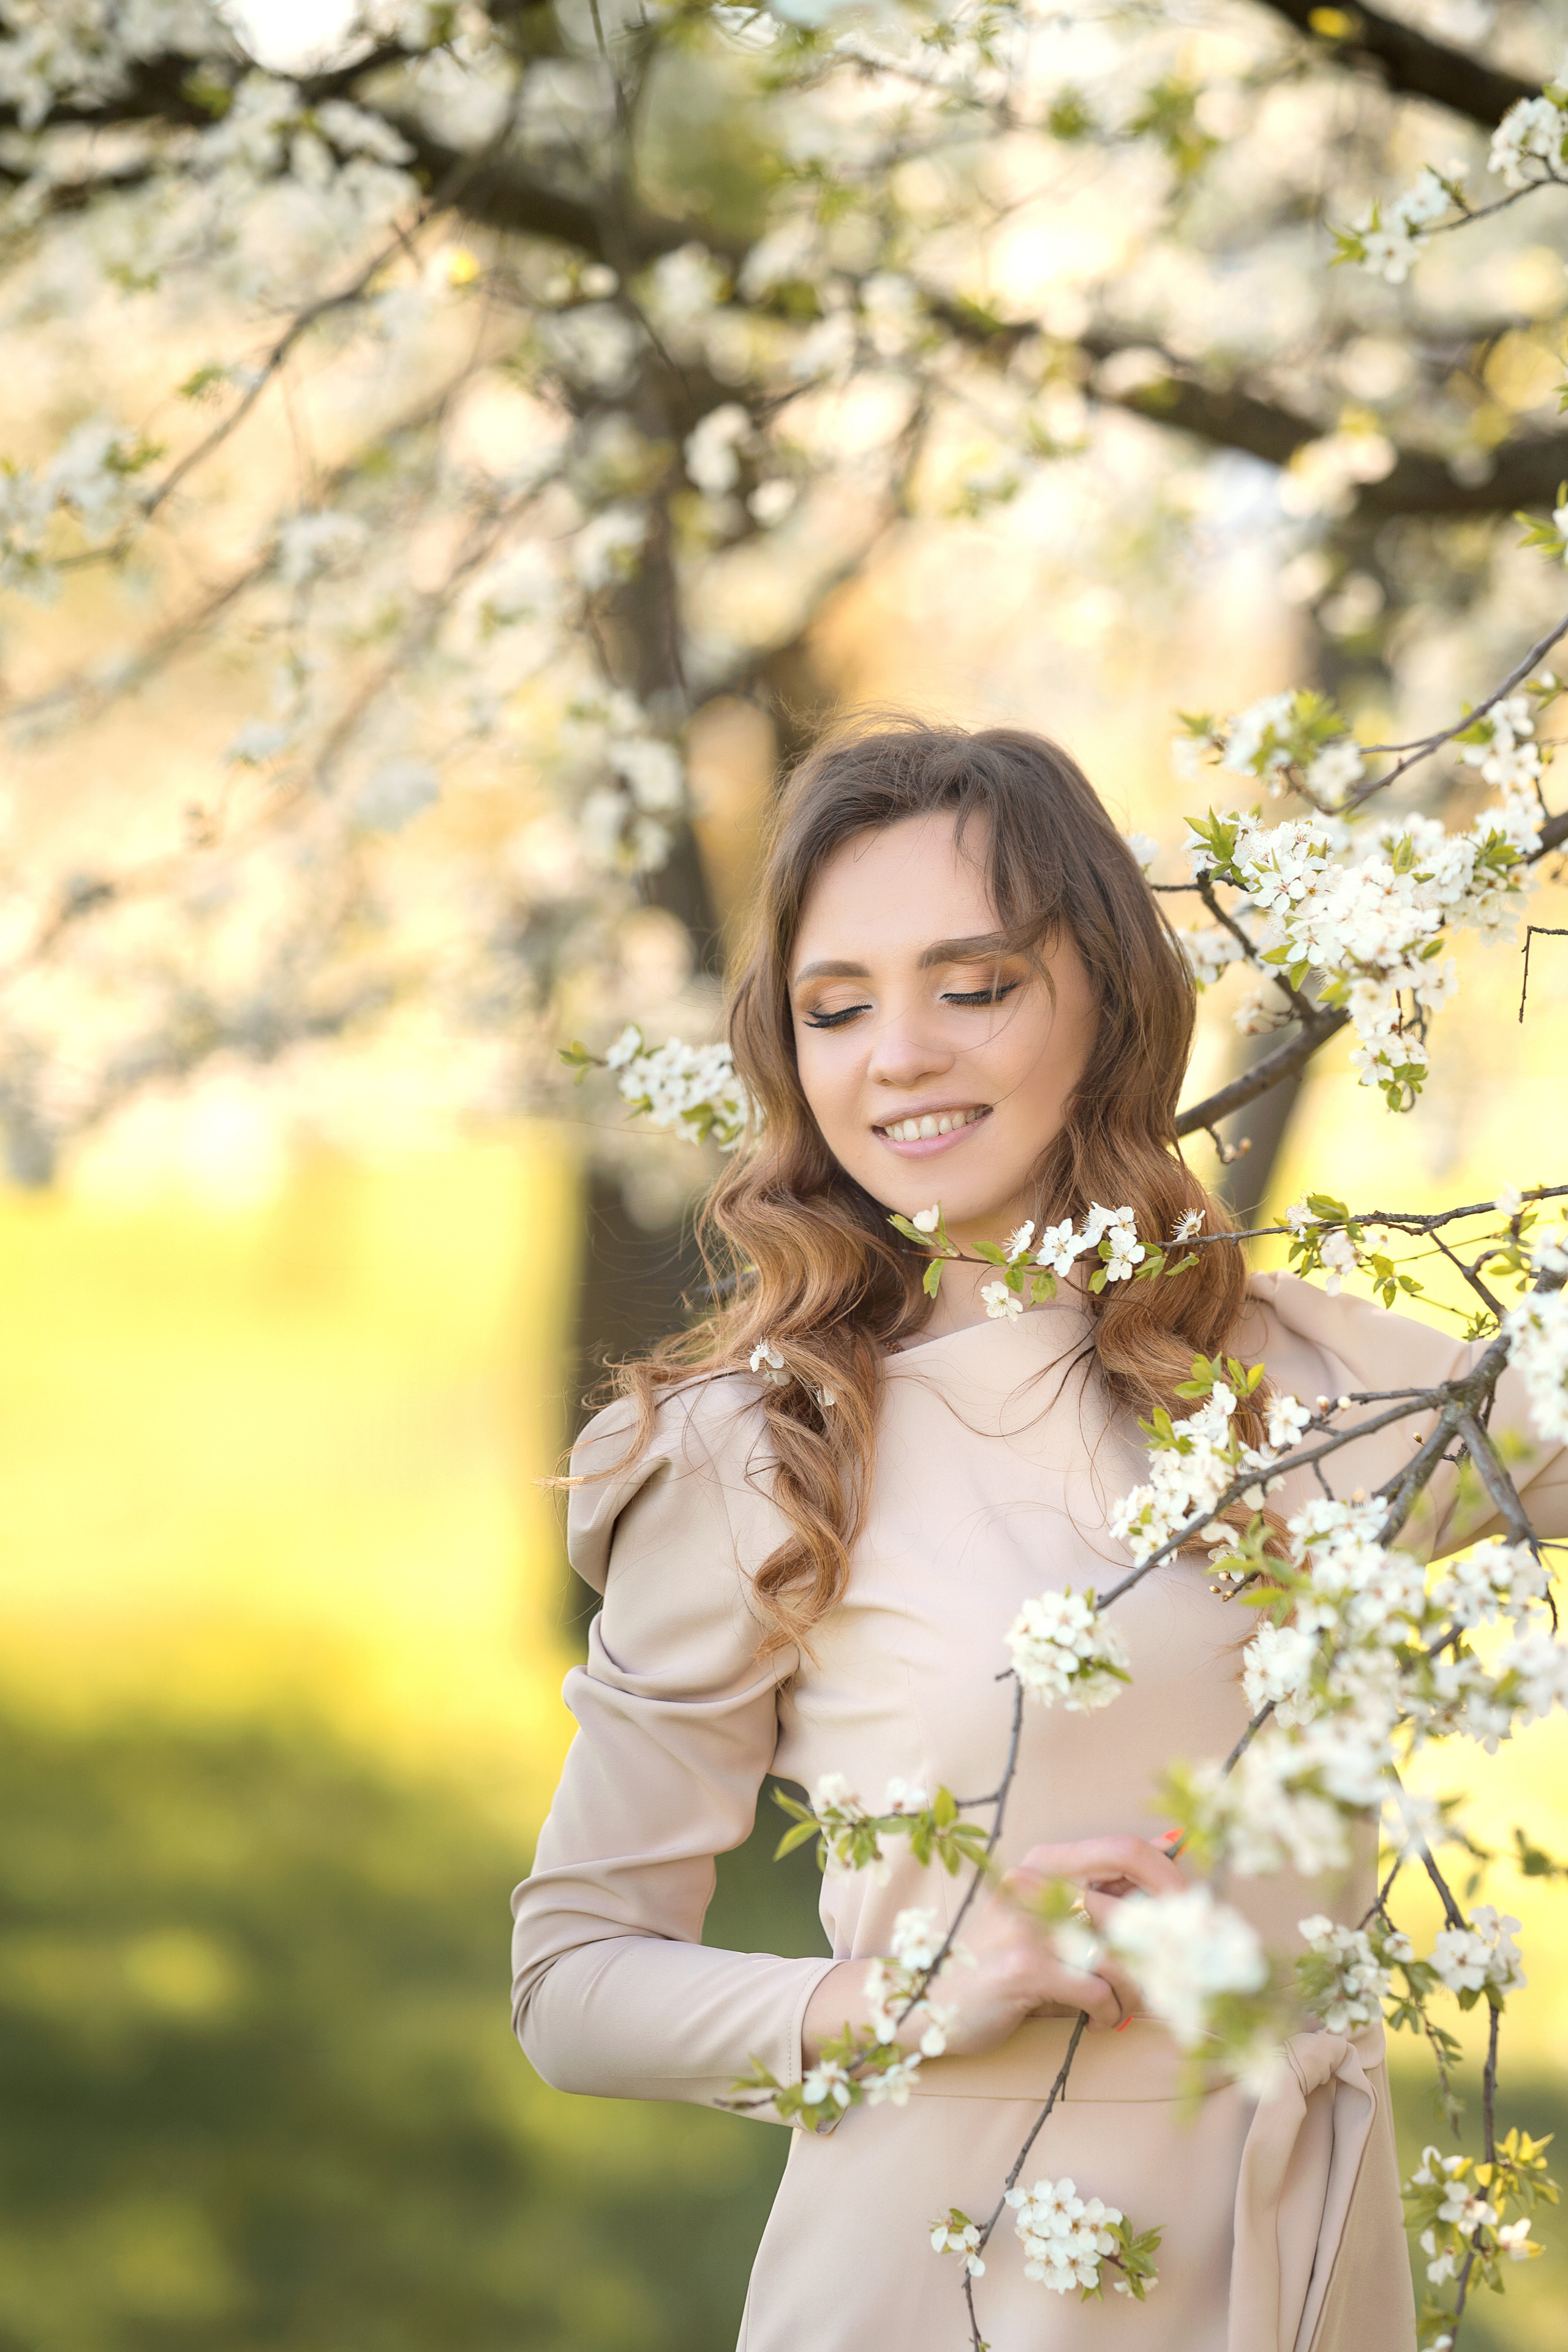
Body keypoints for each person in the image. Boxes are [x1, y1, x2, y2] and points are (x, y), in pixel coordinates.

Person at [511, 723, 1567, 2350]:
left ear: (1109, 1004)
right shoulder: (766, 1447)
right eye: (838, 1007)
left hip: (1301, 2271)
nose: (900, 1056)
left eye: (977, 984)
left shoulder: (1337, 1380)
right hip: (941, 2290)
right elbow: (574, 1982)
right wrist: (919, 1995)